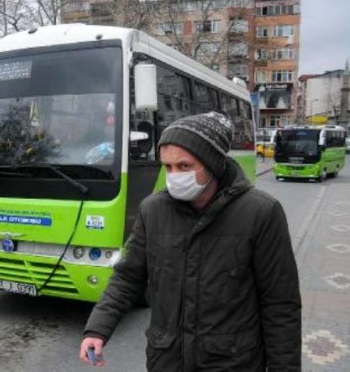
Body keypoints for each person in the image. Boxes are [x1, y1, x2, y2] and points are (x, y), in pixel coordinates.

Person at [79, 112, 301, 371]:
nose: (174, 176)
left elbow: (280, 305)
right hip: (167, 361)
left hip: (231, 363)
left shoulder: (261, 212)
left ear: (213, 163)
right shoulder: (152, 210)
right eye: (168, 167)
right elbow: (128, 277)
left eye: (184, 166)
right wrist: (97, 329)